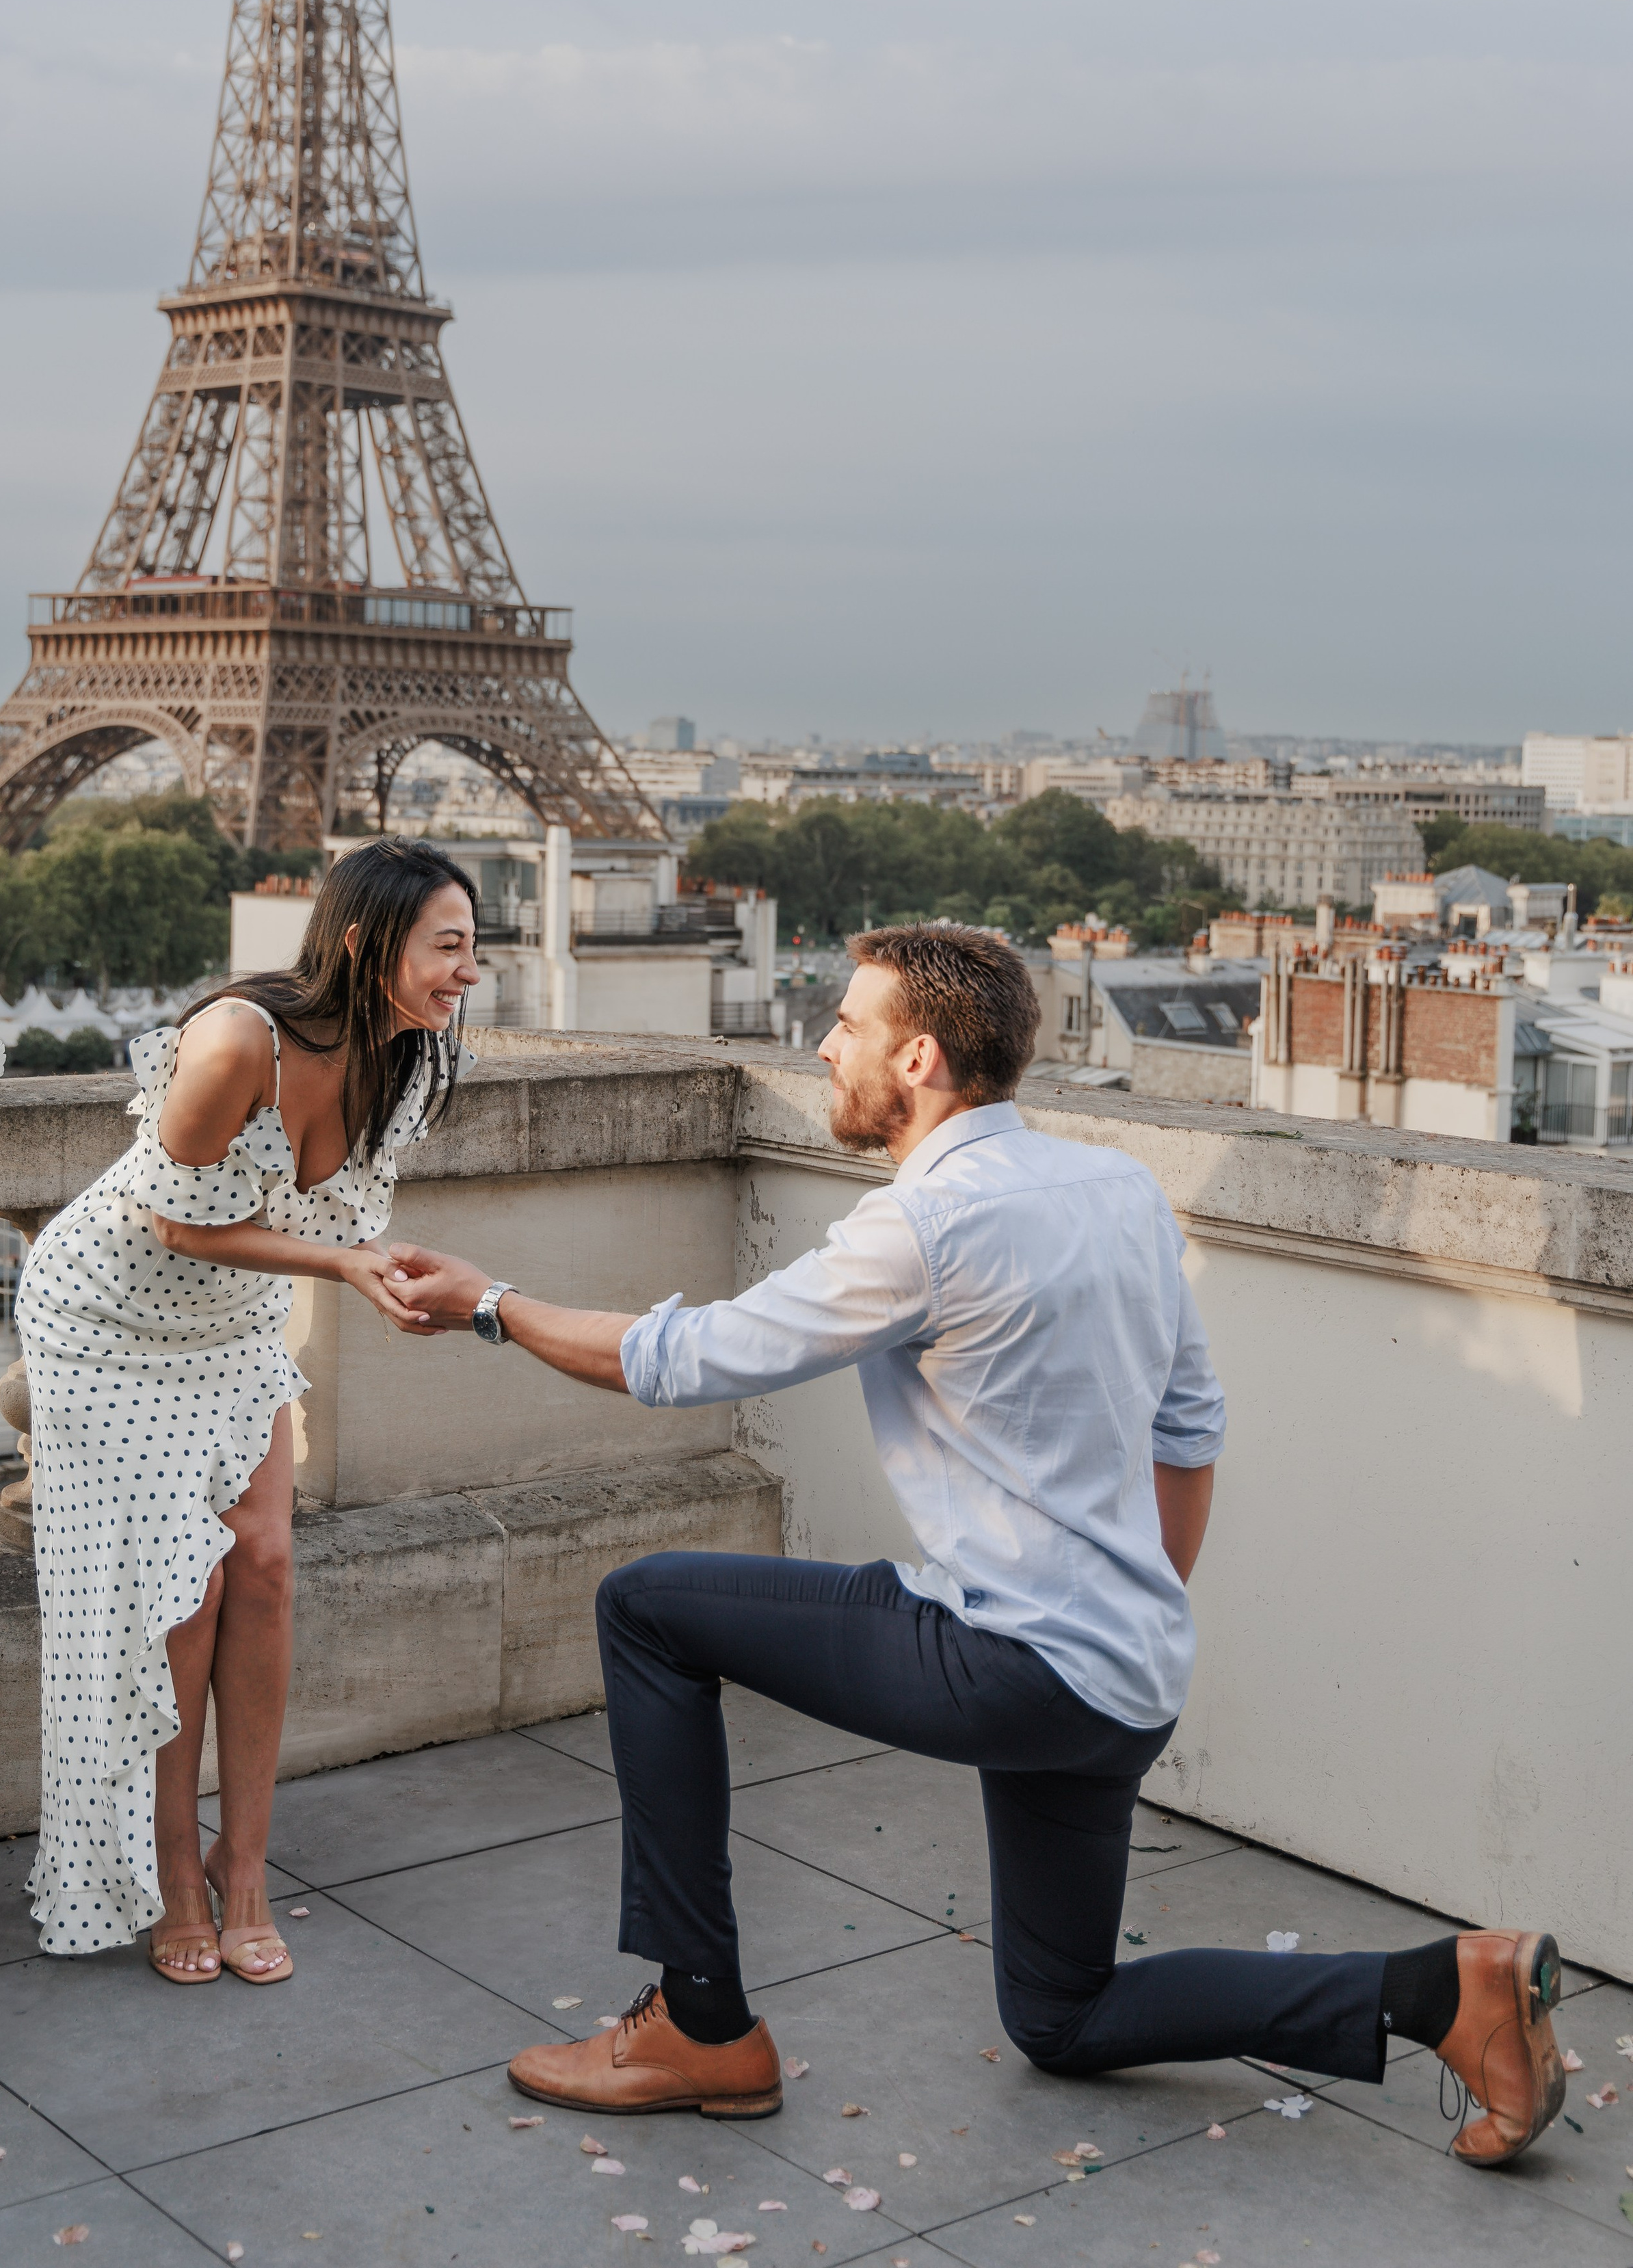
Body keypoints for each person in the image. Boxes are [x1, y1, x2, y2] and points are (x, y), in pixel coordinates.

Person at [384, 922, 1565, 2165]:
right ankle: (1445, 1993)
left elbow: (678, 1361)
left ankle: (700, 2023)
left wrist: (489, 1305)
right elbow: (1190, 1431)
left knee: (646, 1608)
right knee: (1063, 2015)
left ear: (920, 1060)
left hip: (1010, 1662)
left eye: (849, 1025)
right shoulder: (1117, 1188)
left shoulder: (925, 1224)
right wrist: (1127, 1611)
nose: (824, 1045)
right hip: (1129, 1673)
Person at [16, 836, 477, 1981]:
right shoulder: (236, 1041)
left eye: (477, 948)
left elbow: (327, 1224)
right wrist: (346, 1268)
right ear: (367, 942)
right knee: (188, 1595)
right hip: (108, 1324)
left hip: (229, 1328)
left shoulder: (412, 1060)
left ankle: (247, 1863)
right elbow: (177, 1222)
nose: (470, 971)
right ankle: (177, 1873)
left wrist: (384, 1268)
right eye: (450, 946)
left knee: (265, 1566)